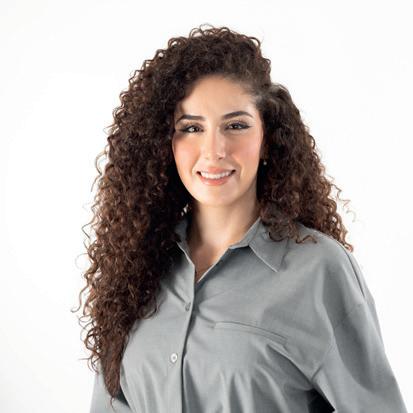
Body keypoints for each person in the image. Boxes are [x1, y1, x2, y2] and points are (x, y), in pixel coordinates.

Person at [76, 24, 408, 412]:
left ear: (267, 139)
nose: (213, 150)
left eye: (236, 126)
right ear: (165, 143)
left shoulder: (319, 271)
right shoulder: (136, 267)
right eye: (191, 128)